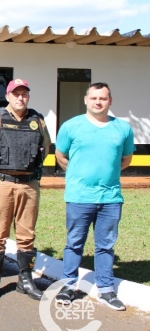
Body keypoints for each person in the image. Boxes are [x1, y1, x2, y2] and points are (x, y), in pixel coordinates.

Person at [54, 82, 134, 311]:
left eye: (103, 98)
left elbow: (126, 160)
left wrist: (106, 175)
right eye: (94, 98)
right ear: (86, 100)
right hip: (79, 197)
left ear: (110, 101)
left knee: (106, 246)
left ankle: (106, 289)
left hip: (110, 198)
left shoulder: (123, 128)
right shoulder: (71, 126)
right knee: (74, 243)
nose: (98, 102)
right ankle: (68, 285)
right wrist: (79, 174)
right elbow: (61, 156)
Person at [0, 78, 50, 301]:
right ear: (8, 96)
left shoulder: (37, 120)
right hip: (3, 184)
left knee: (27, 236)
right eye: (16, 93)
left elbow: (44, 149)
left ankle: (25, 280)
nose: (20, 97)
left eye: (24, 93)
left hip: (29, 185)